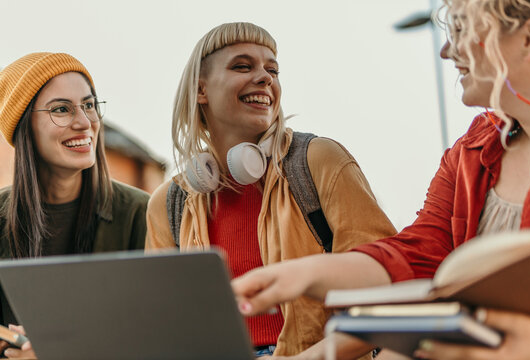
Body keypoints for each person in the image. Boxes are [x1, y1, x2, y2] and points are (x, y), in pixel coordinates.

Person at [232, 0, 530, 359]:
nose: (445, 50)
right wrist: (301, 274)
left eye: (461, 31)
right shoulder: (470, 153)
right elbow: (417, 257)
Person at [144, 22, 396, 357]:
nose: (266, 78)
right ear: (201, 90)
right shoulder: (169, 203)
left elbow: (386, 286)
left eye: (272, 69)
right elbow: (162, 322)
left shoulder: (318, 160)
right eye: (243, 66)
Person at [0, 52, 150, 358]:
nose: (84, 123)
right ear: (24, 126)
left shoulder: (141, 213)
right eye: (61, 110)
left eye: (89, 105)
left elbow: (157, 331)